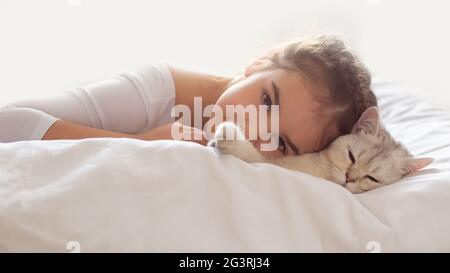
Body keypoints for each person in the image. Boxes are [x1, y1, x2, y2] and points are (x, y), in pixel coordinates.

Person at [0, 35, 377, 159]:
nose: (250, 129)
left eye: (279, 141)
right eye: (265, 102)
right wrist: (138, 144)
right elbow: (9, 121)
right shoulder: (156, 91)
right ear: (257, 64)